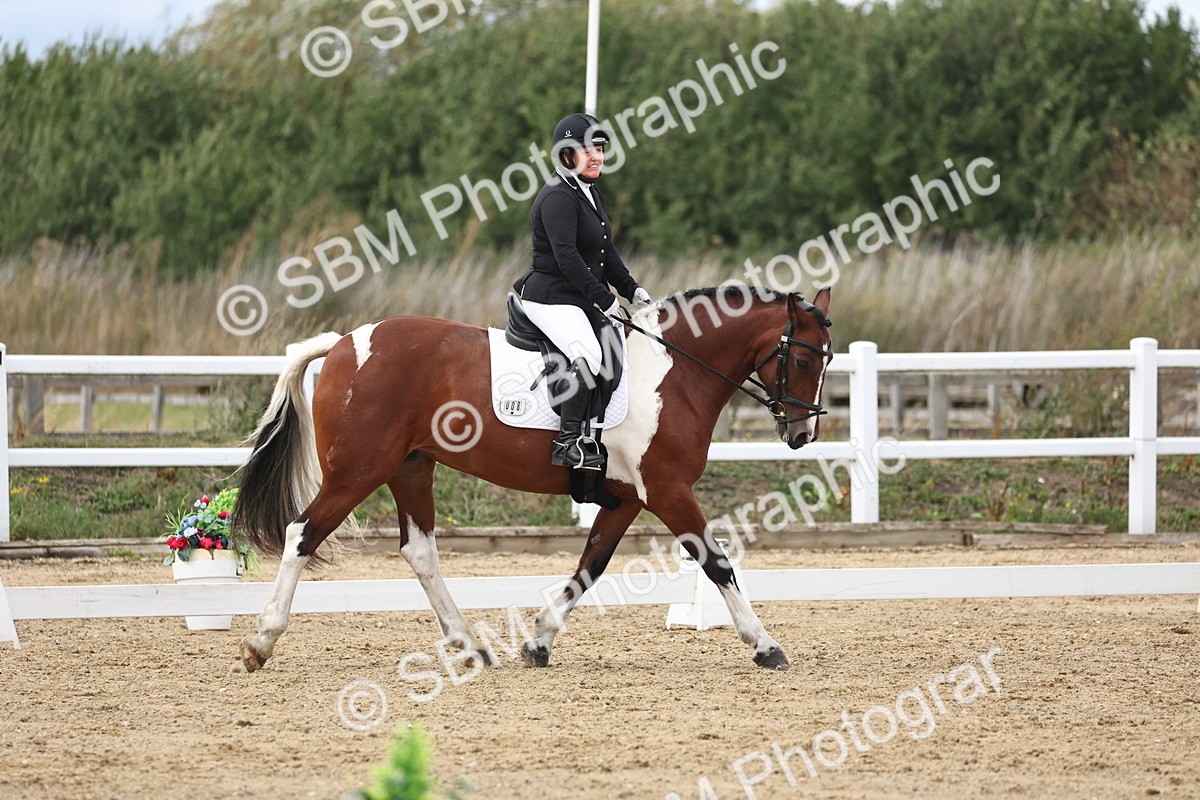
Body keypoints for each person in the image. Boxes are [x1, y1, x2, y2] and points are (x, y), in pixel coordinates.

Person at [513, 112, 652, 468]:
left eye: (600, 149)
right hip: (550, 296)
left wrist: (633, 290)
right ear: (565, 155)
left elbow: (605, 253)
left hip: (577, 296)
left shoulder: (590, 192)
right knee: (590, 354)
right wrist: (605, 300)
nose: (596, 157)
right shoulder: (558, 196)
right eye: (587, 150)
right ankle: (566, 441)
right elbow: (569, 257)